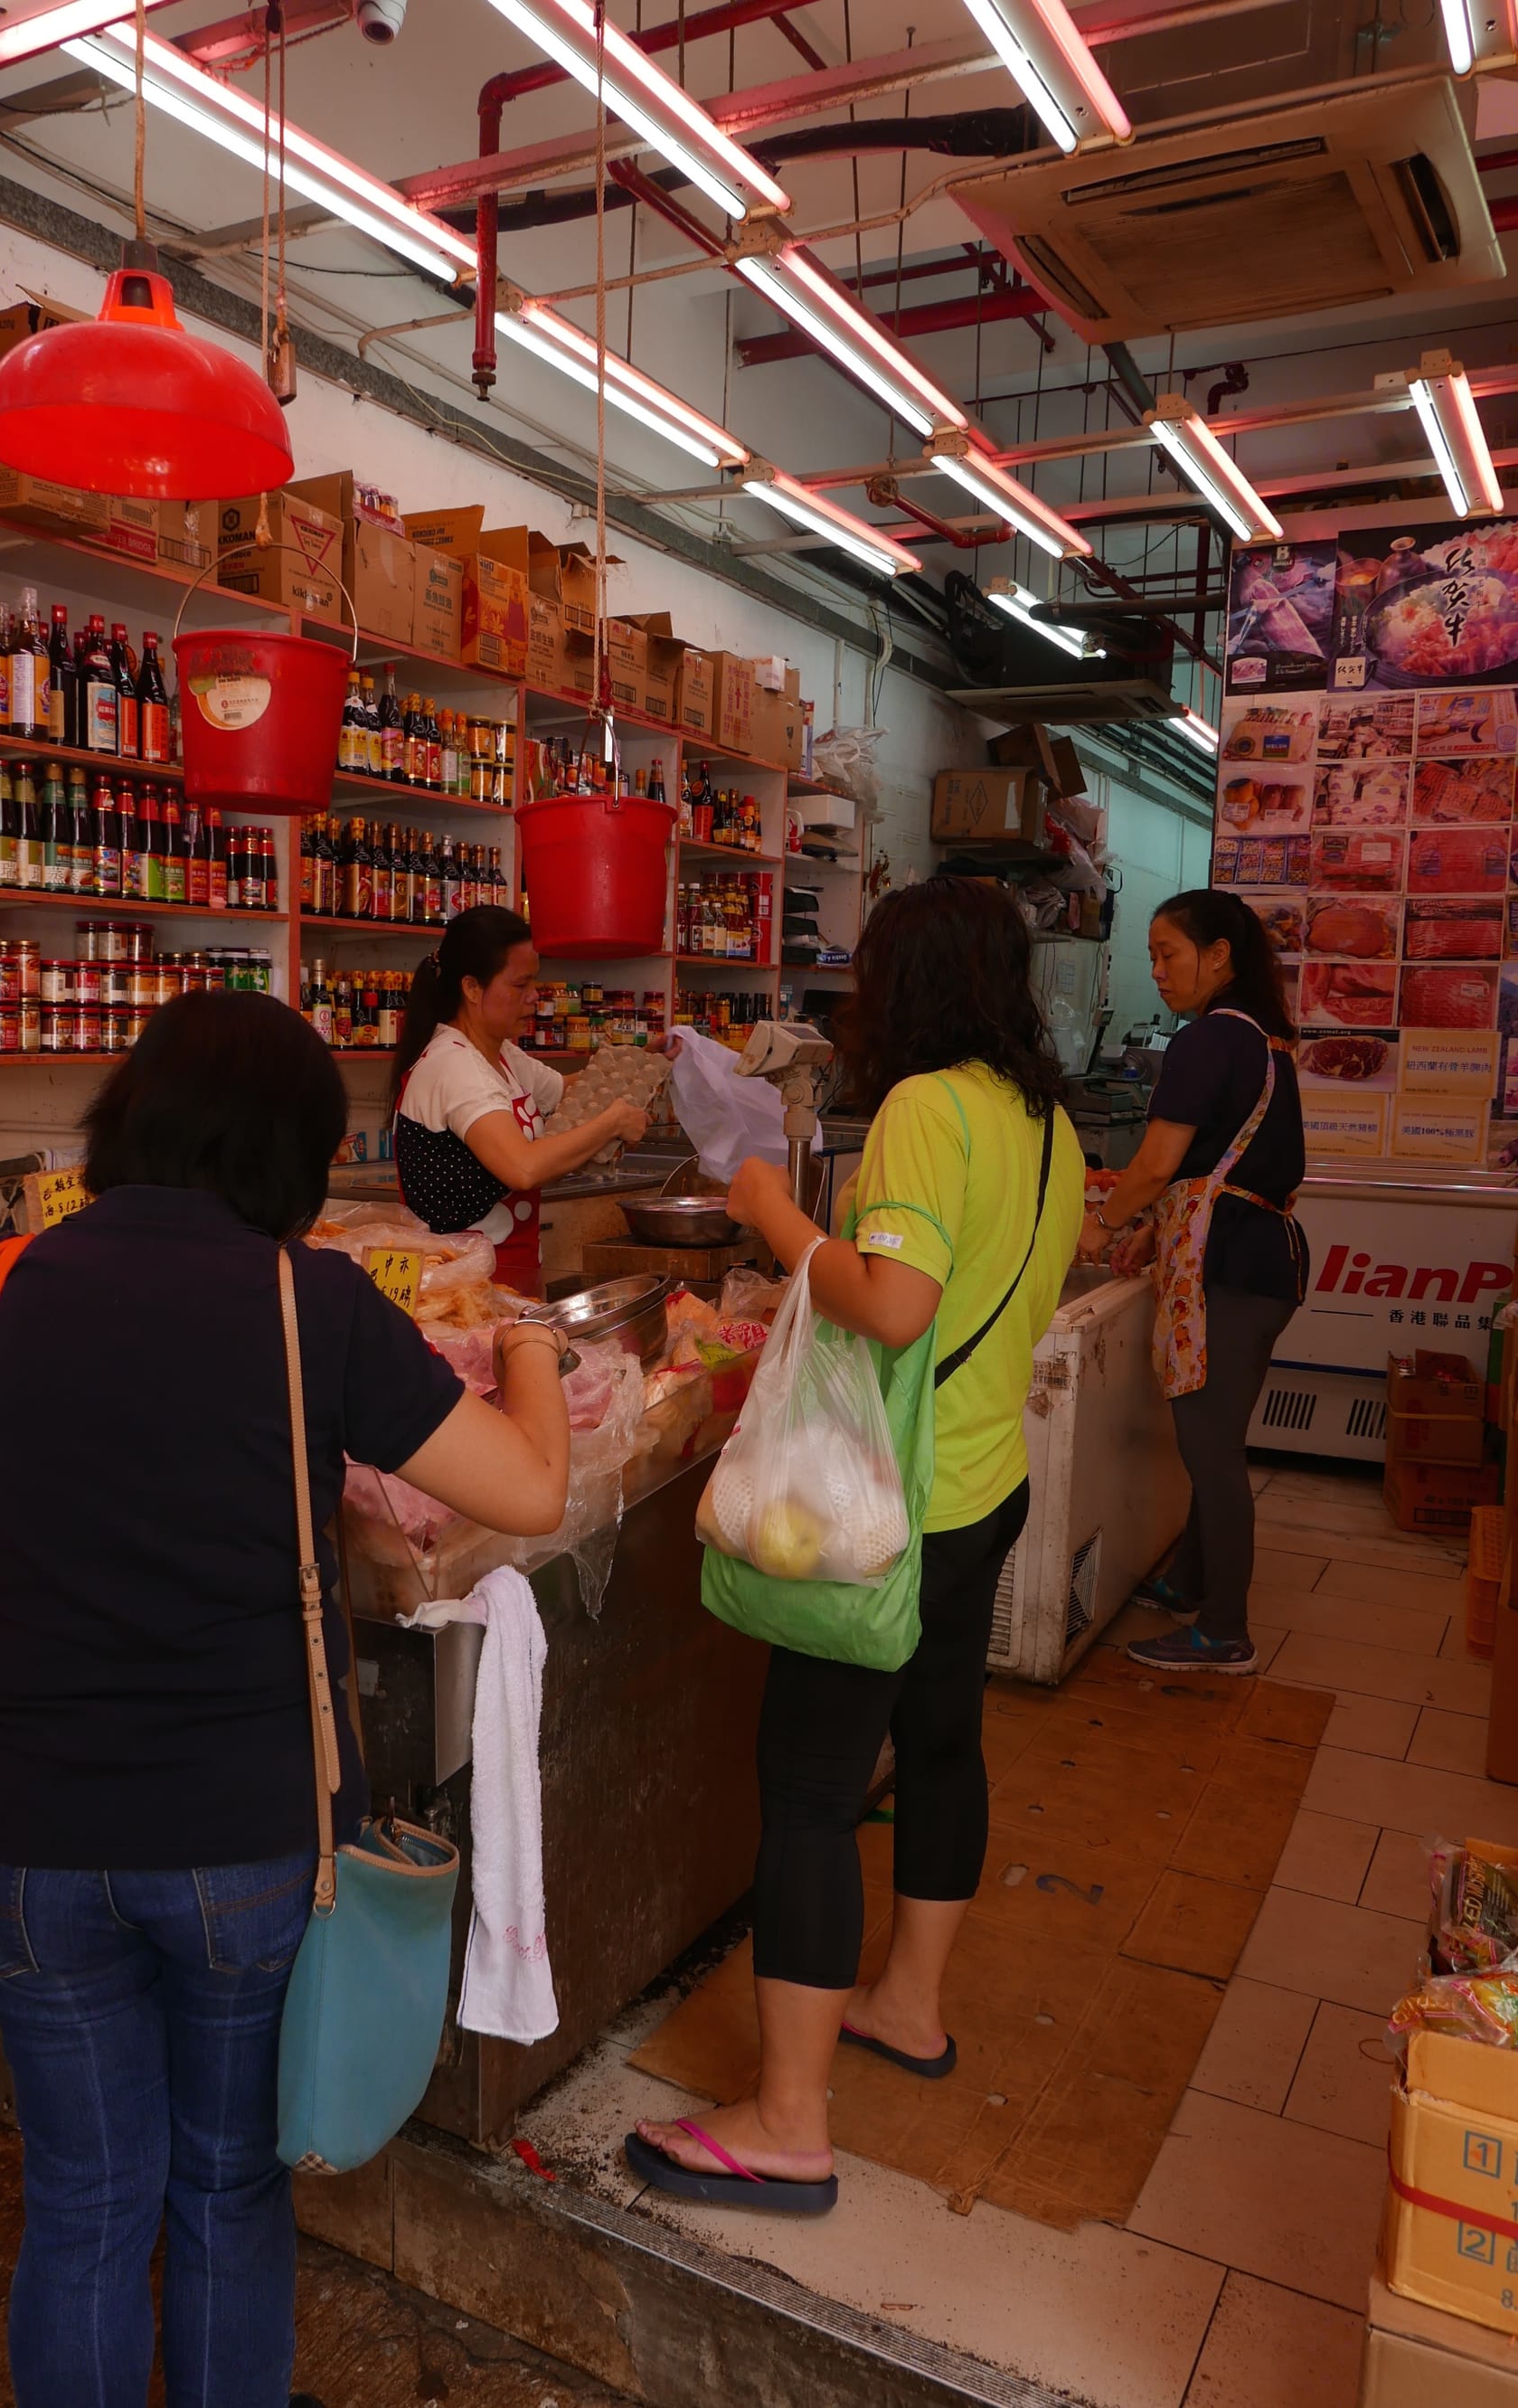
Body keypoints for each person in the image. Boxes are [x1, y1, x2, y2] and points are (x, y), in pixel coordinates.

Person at [0, 989, 573, 2408]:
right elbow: (531, 1486)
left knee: (81, 2199)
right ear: (291, 1150)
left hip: (28, 1832)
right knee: (226, 2180)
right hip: (242, 1839)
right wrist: (530, 1348)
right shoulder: (302, 1295)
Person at [629, 877, 1082, 2211]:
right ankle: (907, 2004)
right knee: (943, 1738)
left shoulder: (930, 1109)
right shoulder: (1039, 1117)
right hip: (981, 1482)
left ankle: (785, 2120)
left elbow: (890, 1307)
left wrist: (771, 1210)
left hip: (891, 1510)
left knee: (813, 1792)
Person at [1077, 887, 1307, 1676]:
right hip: (1263, 1258)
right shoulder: (1264, 1040)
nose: (1159, 970)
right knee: (1218, 1439)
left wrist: (1104, 1225)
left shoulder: (1208, 1040)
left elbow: (1157, 1163)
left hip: (1231, 1268)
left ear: (1219, 956)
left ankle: (1225, 1630)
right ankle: (1191, 1581)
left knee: (1210, 1451)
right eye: (1151, 955)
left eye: (1168, 953)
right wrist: (1151, 1230)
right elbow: (1221, 1165)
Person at [391, 906, 650, 1297]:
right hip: (456, 1292)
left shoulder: (500, 1055)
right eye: (519, 985)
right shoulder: (454, 1065)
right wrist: (612, 1122)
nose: (534, 998)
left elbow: (571, 1092)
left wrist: (643, 1063)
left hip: (509, 1279)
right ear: (472, 988)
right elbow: (523, 1168)